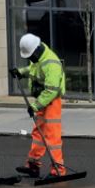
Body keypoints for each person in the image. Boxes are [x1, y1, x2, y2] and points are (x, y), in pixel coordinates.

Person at [9, 34, 66, 179]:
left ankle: (58, 170)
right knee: (38, 133)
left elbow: (51, 91)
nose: (30, 59)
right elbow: (33, 70)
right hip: (42, 100)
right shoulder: (39, 58)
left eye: (30, 56)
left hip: (51, 101)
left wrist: (35, 106)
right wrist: (20, 72)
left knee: (52, 135)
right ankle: (33, 165)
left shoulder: (51, 63)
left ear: (36, 51)